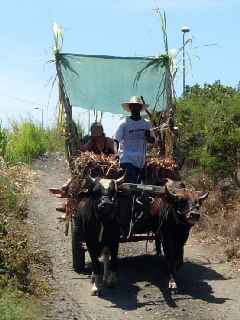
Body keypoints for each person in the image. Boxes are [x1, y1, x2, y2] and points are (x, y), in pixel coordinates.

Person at [114, 96, 155, 237]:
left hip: (141, 161)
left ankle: (142, 217)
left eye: (138, 106)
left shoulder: (146, 123)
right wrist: (116, 154)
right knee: (131, 190)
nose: (136, 109)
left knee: (146, 191)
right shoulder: (124, 123)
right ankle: (126, 221)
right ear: (130, 108)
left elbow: (153, 141)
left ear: (141, 108)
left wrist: (148, 136)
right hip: (127, 159)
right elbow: (116, 140)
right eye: (133, 106)